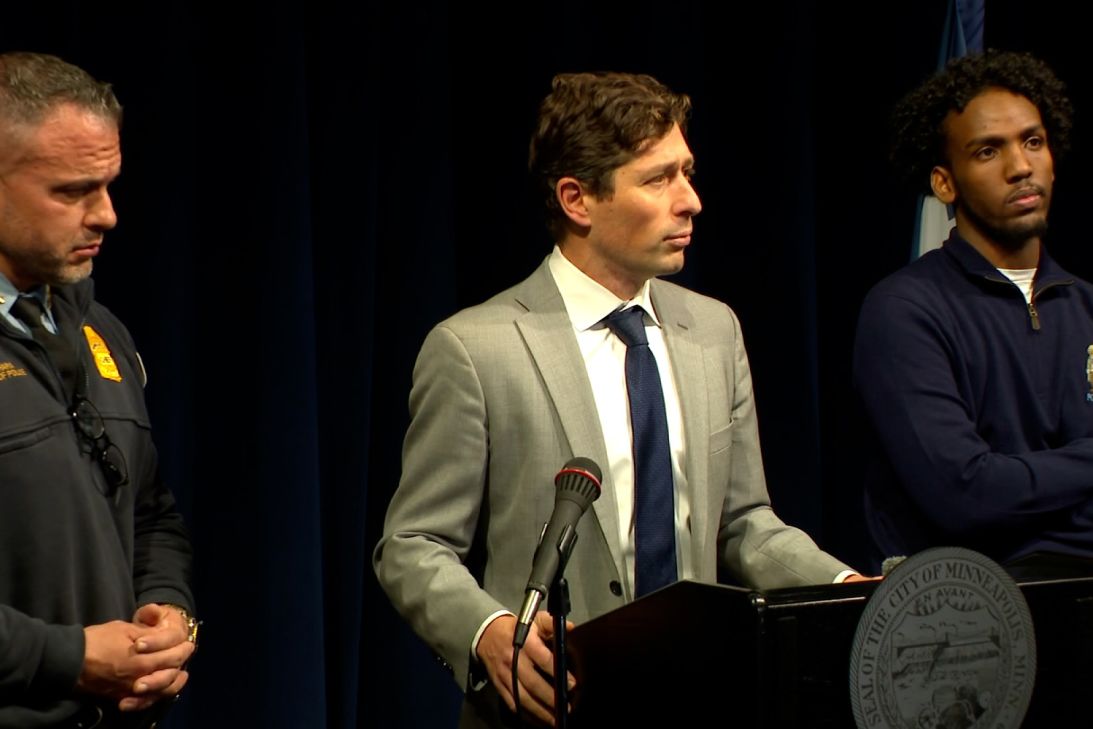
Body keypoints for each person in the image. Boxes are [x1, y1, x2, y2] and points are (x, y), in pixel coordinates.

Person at [374, 71, 859, 728]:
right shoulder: (475, 347)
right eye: (658, 179)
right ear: (577, 199)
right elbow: (413, 542)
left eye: (686, 172)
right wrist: (485, 629)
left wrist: (844, 591)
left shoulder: (713, 330)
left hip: (699, 701)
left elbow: (744, 523)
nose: (690, 200)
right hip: (551, 707)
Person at [0, 52, 196, 727]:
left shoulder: (99, 330)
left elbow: (149, 514)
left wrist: (170, 618)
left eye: (108, 185)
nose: (107, 214)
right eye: (72, 190)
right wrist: (70, 656)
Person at [854, 50, 1093, 571]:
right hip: (965, 627)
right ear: (945, 182)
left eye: (1033, 141)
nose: (1020, 167)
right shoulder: (904, 311)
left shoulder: (1086, 304)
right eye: (989, 152)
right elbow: (966, 494)